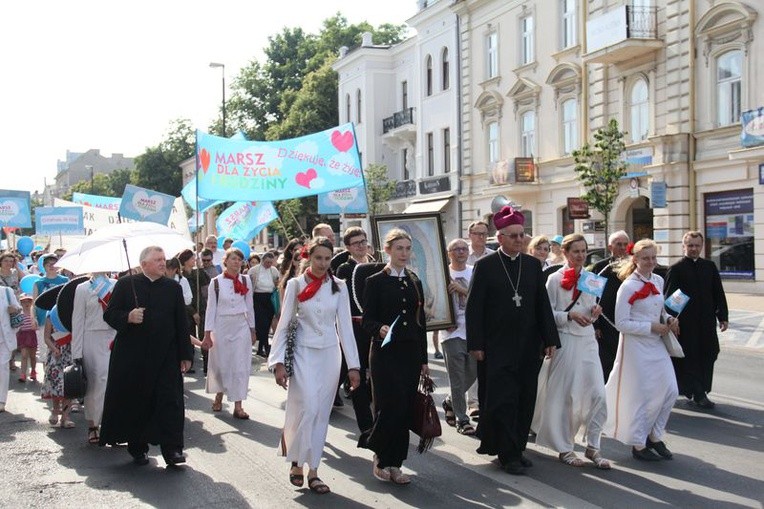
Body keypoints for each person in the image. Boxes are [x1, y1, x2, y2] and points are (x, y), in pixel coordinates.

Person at [465, 206, 560, 475]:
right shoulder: (485, 266)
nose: (520, 240)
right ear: (501, 237)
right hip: (497, 347)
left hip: (529, 346)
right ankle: (507, 453)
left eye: (522, 235)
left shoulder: (532, 265)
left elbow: (542, 305)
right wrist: (476, 344)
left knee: (525, 398)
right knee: (503, 400)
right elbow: (474, 307)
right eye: (514, 236)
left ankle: (517, 447)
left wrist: (550, 338)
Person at [269, 237, 361, 495]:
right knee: (307, 406)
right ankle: (296, 460)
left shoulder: (339, 286)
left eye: (327, 258)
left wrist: (354, 366)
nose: (322, 263)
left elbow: (345, 327)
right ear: (308, 257)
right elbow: (285, 323)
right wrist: (277, 362)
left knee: (321, 412)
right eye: (318, 258)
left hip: (330, 355)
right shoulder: (295, 284)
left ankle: (313, 470)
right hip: (302, 353)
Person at [99, 246, 193, 466]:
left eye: (164, 258)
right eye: (157, 260)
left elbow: (181, 322)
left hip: (166, 356)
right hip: (133, 357)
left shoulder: (172, 288)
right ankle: (137, 447)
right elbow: (110, 315)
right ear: (144, 265)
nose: (163, 263)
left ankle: (172, 450)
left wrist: (185, 354)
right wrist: (128, 316)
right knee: (137, 402)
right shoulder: (125, 285)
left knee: (169, 402)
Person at [531, 234, 610, 469]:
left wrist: (595, 311)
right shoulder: (554, 279)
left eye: (584, 251)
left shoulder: (592, 278)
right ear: (565, 253)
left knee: (598, 394)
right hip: (565, 340)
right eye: (576, 251)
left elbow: (591, 308)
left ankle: (593, 445)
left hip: (587, 341)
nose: (581, 255)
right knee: (567, 397)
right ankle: (565, 447)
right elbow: (546, 314)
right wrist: (569, 315)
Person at [359, 228, 428, 485]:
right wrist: (379, 328)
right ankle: (379, 451)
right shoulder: (375, 281)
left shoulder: (414, 281)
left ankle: (396, 464)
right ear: (387, 250)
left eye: (408, 249)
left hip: (409, 353)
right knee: (389, 407)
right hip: (385, 353)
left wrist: (424, 361)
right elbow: (367, 320)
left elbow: (419, 323)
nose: (404, 253)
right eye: (399, 248)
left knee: (405, 408)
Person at [604, 239, 680, 461]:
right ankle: (638, 444)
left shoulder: (657, 279)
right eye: (645, 258)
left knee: (670, 390)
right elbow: (621, 323)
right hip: (636, 346)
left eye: (653, 257)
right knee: (643, 396)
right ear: (635, 259)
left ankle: (655, 436)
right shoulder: (627, 286)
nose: (650, 262)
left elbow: (661, 309)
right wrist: (651, 327)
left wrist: (669, 319)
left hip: (656, 343)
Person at [665, 231, 729, 409]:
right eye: (690, 245)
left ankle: (701, 389)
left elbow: (718, 293)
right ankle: (698, 393)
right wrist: (672, 320)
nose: (694, 249)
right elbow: (670, 297)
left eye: (697, 245)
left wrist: (723, 316)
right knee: (691, 357)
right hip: (687, 324)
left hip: (707, 321)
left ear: (702, 246)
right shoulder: (676, 268)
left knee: (710, 352)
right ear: (684, 246)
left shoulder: (709, 266)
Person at [202, 249, 256, 419]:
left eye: (240, 259)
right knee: (222, 363)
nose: (237, 262)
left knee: (240, 365)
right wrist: (207, 334)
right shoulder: (216, 283)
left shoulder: (246, 280)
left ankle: (238, 405)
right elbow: (211, 309)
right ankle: (219, 394)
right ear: (226, 261)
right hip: (222, 325)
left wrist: (252, 329)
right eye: (233, 259)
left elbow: (250, 306)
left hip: (240, 325)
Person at [335, 227, 376, 433]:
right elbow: (346, 301)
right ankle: (366, 426)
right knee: (355, 371)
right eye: (356, 243)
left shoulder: (377, 265)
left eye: (363, 241)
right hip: (354, 328)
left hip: (376, 329)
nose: (361, 245)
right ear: (348, 248)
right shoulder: (345, 269)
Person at [71, 275, 117, 444]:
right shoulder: (83, 288)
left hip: (114, 335)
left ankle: (112, 426)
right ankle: (93, 424)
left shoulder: (117, 285)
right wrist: (76, 352)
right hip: (91, 337)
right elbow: (78, 319)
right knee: (95, 381)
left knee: (114, 383)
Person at [440, 238, 477, 436]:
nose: (461, 252)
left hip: (474, 332)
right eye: (456, 249)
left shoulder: (475, 271)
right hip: (451, 332)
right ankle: (462, 420)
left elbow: (482, 300)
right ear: (449, 253)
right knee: (456, 377)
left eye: (464, 248)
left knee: (473, 372)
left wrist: (464, 291)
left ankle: (449, 400)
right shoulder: (442, 273)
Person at [591, 231, 631, 381]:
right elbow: (590, 297)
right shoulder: (600, 267)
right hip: (605, 321)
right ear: (610, 247)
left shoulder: (633, 265)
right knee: (607, 362)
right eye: (618, 244)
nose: (622, 248)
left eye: (625, 244)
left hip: (627, 320)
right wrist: (596, 325)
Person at [465, 220, 494, 415]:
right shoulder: (462, 254)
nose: (481, 238)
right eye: (477, 234)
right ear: (470, 235)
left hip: (488, 315)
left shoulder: (492, 257)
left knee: (484, 360)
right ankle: (471, 401)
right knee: (469, 361)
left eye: (484, 234)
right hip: (465, 314)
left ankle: (480, 400)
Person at [40, 310, 75, 428]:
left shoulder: (73, 314)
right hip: (55, 355)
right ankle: (55, 411)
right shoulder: (51, 315)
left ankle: (65, 417)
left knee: (69, 385)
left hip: (70, 353)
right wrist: (54, 348)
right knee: (56, 384)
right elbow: (46, 337)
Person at [179, 249, 210, 373]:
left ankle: (207, 363)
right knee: (189, 336)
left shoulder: (197, 273)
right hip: (188, 311)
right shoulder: (181, 277)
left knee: (203, 335)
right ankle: (189, 362)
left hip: (201, 308)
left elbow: (206, 281)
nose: (194, 260)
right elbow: (183, 297)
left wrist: (200, 266)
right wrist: (193, 312)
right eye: (192, 259)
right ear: (186, 261)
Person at [32, 254, 68, 358]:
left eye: (54, 264)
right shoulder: (38, 282)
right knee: (44, 351)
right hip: (43, 318)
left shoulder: (65, 280)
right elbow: (34, 302)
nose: (52, 266)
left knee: (61, 348)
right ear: (44, 266)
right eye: (48, 264)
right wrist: (33, 317)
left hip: (60, 319)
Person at [248, 252, 280, 358]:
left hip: (269, 298)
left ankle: (262, 347)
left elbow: (277, 282)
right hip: (258, 297)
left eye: (271, 262)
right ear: (262, 261)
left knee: (267, 324)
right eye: (267, 262)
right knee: (262, 323)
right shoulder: (254, 270)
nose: (268, 264)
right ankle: (266, 347)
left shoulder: (274, 270)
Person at [0, 286, 21, 413]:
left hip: (5, 335)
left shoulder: (7, 291)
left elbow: (18, 309)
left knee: (2, 366)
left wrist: (14, 310)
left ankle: (1, 400)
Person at [15, 294, 38, 383]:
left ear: (31, 302)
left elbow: (37, 325)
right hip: (23, 335)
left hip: (32, 335)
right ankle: (23, 374)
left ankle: (33, 371)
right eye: (24, 302)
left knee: (32, 356)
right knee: (24, 355)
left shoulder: (33, 313)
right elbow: (17, 325)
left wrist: (35, 324)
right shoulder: (20, 314)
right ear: (21, 303)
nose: (26, 303)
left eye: (28, 301)